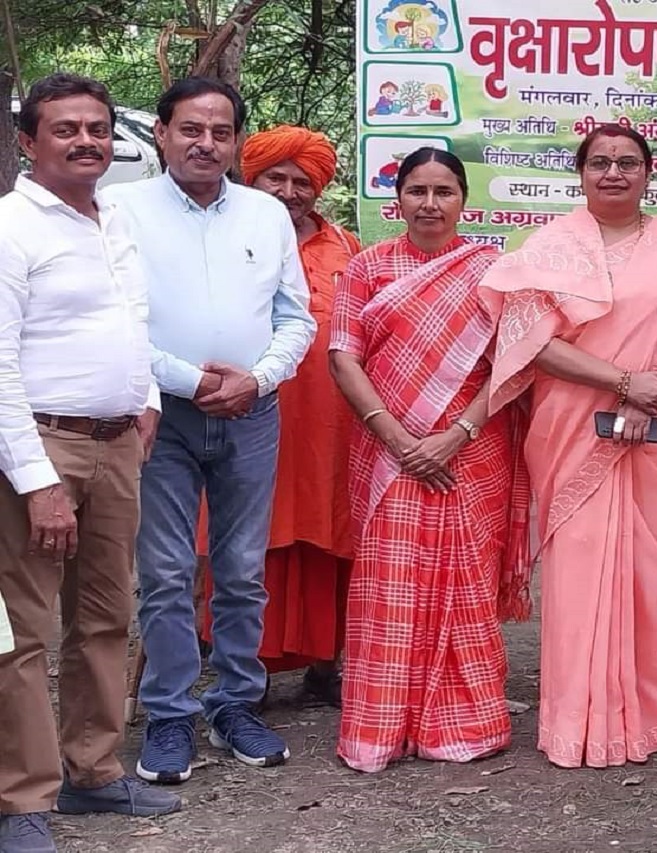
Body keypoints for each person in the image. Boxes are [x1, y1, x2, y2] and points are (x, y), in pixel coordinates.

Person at [479, 124, 657, 768]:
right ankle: (578, 717)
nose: (613, 172)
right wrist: (622, 382)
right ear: (581, 173)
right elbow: (530, 340)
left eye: (627, 162)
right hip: (574, 426)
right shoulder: (550, 248)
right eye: (599, 162)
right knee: (581, 567)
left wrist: (652, 391)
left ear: (648, 172)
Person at [102, 77, 316, 783]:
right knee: (166, 572)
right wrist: (191, 380)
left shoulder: (265, 213)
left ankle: (235, 704)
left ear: (236, 143)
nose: (206, 143)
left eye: (221, 132)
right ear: (162, 133)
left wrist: (258, 378)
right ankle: (170, 714)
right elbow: (115, 319)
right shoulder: (120, 209)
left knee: (243, 569)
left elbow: (296, 317)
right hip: (160, 414)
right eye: (191, 129)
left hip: (253, 413)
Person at [0, 73, 180, 853]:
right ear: (27, 142)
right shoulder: (10, 227)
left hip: (117, 443)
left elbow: (133, 319)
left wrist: (147, 398)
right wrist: (36, 480)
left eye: (98, 129)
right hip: (39, 447)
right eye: (66, 128)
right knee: (23, 630)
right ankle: (20, 796)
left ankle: (94, 769)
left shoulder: (114, 221)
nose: (86, 141)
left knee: (106, 614)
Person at [330, 146, 532, 772]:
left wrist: (457, 433)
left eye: (443, 192)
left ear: (463, 200)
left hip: (472, 448)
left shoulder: (493, 272)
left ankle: (464, 721)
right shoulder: (367, 267)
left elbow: (513, 363)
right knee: (390, 584)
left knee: (465, 579)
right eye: (417, 191)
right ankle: (381, 725)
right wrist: (395, 436)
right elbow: (343, 356)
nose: (429, 204)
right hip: (386, 451)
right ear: (398, 199)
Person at [193, 125, 360, 706]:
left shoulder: (346, 246)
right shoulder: (222, 236)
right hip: (247, 414)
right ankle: (248, 668)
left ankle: (327, 664)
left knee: (330, 536)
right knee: (249, 535)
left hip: (331, 426)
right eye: (276, 178)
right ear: (251, 177)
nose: (290, 192)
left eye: (302, 182)